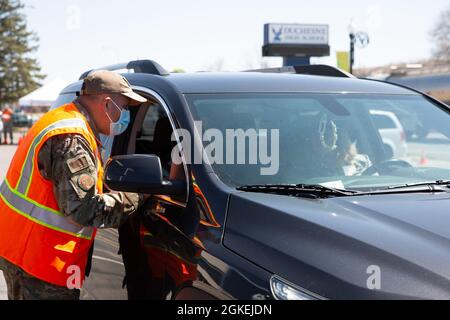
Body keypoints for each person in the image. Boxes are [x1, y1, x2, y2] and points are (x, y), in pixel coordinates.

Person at [0, 70, 148, 300]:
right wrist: (138, 197)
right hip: (42, 263)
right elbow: (84, 210)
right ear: (107, 103)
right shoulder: (72, 138)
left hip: (22, 250)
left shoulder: (62, 119)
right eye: (125, 106)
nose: (126, 114)